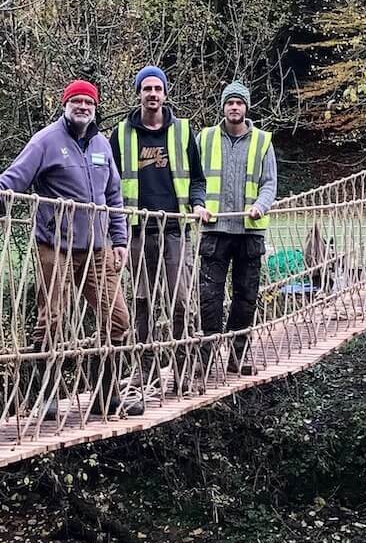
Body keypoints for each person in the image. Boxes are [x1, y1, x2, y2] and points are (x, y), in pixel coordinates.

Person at [0, 79, 144, 420]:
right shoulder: (46, 141)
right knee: (51, 320)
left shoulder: (102, 145)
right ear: (65, 105)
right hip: (55, 245)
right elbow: (12, 179)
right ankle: (46, 395)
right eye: (76, 101)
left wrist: (119, 241)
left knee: (118, 320)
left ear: (95, 108)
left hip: (97, 249)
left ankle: (108, 394)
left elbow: (114, 197)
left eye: (88, 103)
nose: (82, 107)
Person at [109, 65, 210, 396]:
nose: (152, 94)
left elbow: (197, 178)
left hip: (174, 229)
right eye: (146, 88)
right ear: (138, 93)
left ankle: (182, 370)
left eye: (158, 88)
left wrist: (197, 203)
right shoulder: (121, 135)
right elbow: (109, 184)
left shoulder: (182, 132)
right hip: (136, 231)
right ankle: (146, 371)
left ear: (166, 94)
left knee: (181, 301)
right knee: (142, 303)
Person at [197, 80, 277, 377]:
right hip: (214, 229)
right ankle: (205, 358)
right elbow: (196, 180)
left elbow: (270, 183)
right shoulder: (204, 139)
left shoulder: (263, 141)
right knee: (209, 297)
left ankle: (238, 355)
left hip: (249, 230)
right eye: (230, 102)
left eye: (239, 103)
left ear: (246, 107)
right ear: (223, 106)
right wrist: (198, 204)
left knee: (246, 296)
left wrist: (261, 205)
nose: (234, 107)